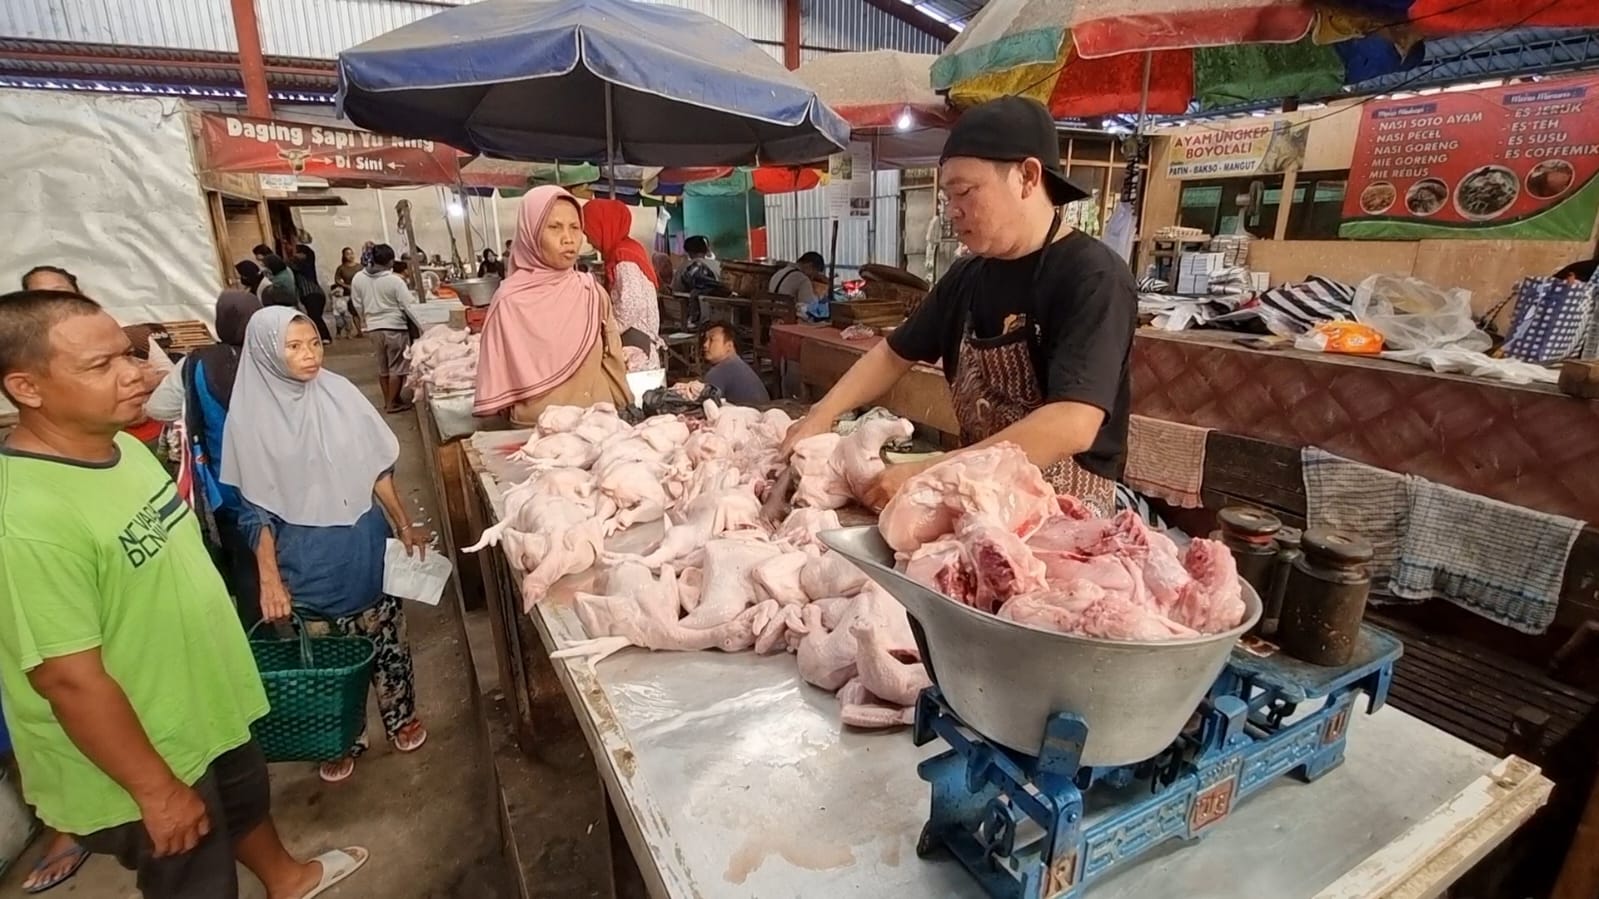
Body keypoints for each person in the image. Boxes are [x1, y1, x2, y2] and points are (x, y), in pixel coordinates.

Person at [0, 289, 367, 899]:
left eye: (128, 354)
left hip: (204, 708)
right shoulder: (24, 522)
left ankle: (288, 878)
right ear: (26, 388)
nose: (136, 373)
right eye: (102, 365)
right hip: (144, 751)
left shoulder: (123, 453)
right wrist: (155, 790)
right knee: (195, 875)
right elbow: (67, 678)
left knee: (245, 807)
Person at [781, 96, 1137, 516]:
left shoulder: (1093, 277)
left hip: (1068, 513)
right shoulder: (967, 277)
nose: (953, 211)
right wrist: (823, 413)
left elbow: (1073, 423)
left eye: (965, 192)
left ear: (1027, 176)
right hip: (979, 497)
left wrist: (932, 471)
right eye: (947, 196)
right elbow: (893, 354)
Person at [221, 307, 430, 784]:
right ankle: (341, 735)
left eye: (312, 342)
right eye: (292, 347)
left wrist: (403, 523)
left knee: (387, 639)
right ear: (266, 353)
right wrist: (270, 579)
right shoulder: (249, 422)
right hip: (307, 559)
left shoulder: (338, 394)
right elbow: (255, 511)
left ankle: (400, 716)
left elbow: (376, 467)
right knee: (329, 653)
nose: (309, 355)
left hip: (363, 543)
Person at [145, 289, 264, 625]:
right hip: (284, 484)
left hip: (227, 486)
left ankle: (261, 638)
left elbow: (157, 408)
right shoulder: (276, 355)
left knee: (245, 564)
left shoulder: (195, 362)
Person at [474, 186, 633, 424]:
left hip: (598, 425)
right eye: (554, 227)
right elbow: (497, 377)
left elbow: (613, 360)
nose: (568, 238)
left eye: (575, 228)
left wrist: (626, 410)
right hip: (538, 433)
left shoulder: (591, 293)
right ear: (531, 233)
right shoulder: (509, 302)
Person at [582, 198, 663, 369]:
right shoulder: (627, 251)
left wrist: (607, 332)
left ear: (602, 226)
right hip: (637, 344)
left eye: (589, 230)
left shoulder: (624, 258)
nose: (588, 239)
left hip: (634, 349)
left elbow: (632, 305)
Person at [350, 244, 415, 414]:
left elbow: (357, 304)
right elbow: (408, 305)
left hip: (373, 328)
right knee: (397, 367)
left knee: (383, 367)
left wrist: (367, 319)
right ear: (390, 261)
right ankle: (391, 403)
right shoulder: (394, 280)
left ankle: (391, 400)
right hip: (394, 327)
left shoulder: (358, 278)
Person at [700, 322, 769, 405]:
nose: (705, 345)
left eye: (712, 340)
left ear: (729, 346)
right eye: (705, 340)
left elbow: (707, 405)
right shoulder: (738, 364)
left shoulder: (719, 372)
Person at [288, 244, 332, 345]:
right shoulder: (307, 266)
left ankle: (325, 337)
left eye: (298, 252)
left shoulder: (302, 265)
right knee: (315, 317)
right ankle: (322, 337)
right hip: (315, 294)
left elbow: (290, 263)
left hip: (312, 294)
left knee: (314, 317)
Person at [768, 251, 827, 318]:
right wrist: (819, 296)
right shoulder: (803, 279)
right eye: (814, 272)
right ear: (810, 266)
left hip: (772, 319)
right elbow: (810, 306)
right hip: (789, 321)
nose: (812, 277)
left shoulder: (778, 273)